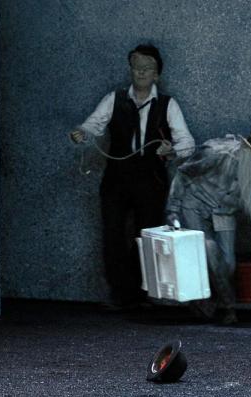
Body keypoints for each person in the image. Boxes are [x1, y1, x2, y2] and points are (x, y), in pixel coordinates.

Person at [70, 44, 195, 309]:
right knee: (113, 234)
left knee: (147, 236)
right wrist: (83, 133)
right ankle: (120, 294)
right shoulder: (114, 99)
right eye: (136, 67)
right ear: (130, 69)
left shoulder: (168, 104)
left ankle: (143, 293)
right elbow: (94, 124)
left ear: (157, 74)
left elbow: (188, 142)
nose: (141, 72)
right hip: (116, 178)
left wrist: (172, 150)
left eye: (147, 68)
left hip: (151, 179)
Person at [165, 129, 251, 326]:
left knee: (228, 262)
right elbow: (183, 173)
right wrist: (173, 209)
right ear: (246, 151)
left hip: (225, 212)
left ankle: (208, 301)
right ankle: (228, 307)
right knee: (209, 249)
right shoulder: (216, 152)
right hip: (195, 205)